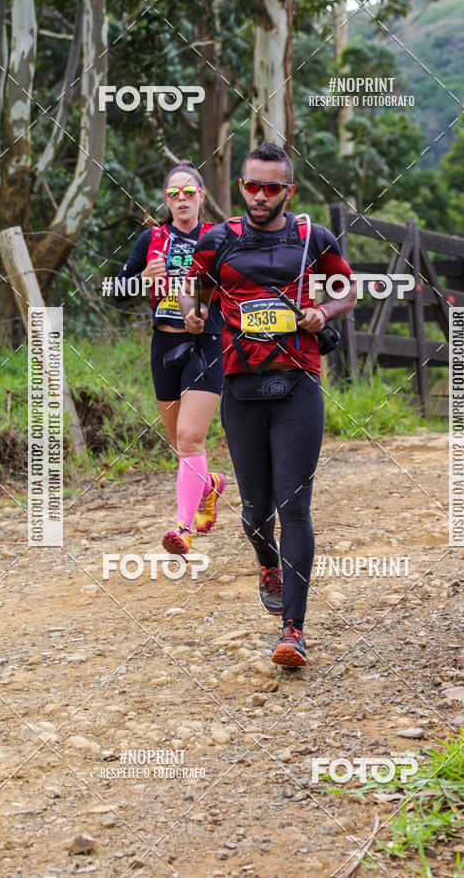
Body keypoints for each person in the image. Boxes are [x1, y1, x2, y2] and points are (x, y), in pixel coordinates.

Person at [181, 142, 356, 667]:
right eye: (250, 186)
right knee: (256, 515)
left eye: (271, 188)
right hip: (240, 387)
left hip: (298, 383)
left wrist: (324, 312)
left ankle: (293, 631)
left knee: (293, 506)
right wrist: (192, 315)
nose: (259, 196)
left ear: (289, 191)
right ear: (241, 187)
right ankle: (269, 564)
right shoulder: (218, 241)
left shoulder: (311, 238)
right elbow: (195, 293)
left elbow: (348, 290)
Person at [116, 161, 225, 555]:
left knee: (191, 438)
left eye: (189, 192)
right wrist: (142, 278)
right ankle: (209, 485)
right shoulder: (152, 238)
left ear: (201, 196)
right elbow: (115, 291)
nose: (182, 199)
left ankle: (183, 528)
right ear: (167, 199)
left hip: (206, 345)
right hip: (163, 347)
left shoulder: (218, 236)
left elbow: (238, 287)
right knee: (183, 449)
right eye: (173, 193)